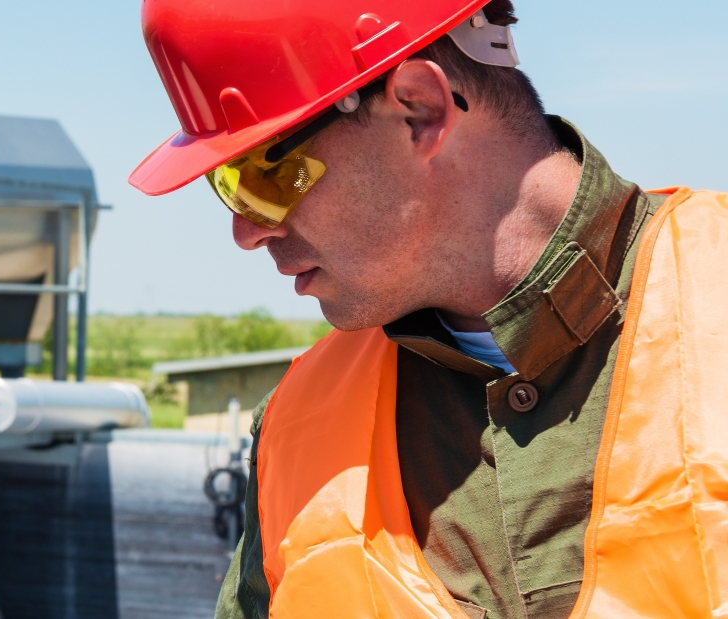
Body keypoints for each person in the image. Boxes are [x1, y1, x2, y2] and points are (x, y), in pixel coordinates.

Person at [128, 1, 728, 618]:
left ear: (420, 110)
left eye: (263, 174)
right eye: (224, 184)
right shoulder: (294, 429)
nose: (245, 231)